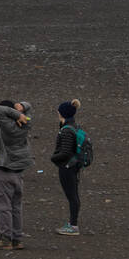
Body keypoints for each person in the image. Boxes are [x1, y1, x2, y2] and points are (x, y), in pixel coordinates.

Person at [0, 98, 32, 250]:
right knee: (16, 206)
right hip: (18, 171)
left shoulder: (5, 126)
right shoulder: (25, 123)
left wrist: (14, 112)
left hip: (4, 170)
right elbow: (29, 107)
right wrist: (22, 109)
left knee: (3, 206)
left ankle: (5, 239)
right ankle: (17, 239)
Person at [51, 99, 84, 237]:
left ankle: (73, 226)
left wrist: (53, 158)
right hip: (74, 165)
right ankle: (72, 224)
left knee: (72, 196)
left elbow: (65, 152)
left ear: (62, 113)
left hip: (67, 167)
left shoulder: (66, 131)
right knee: (73, 195)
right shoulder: (74, 126)